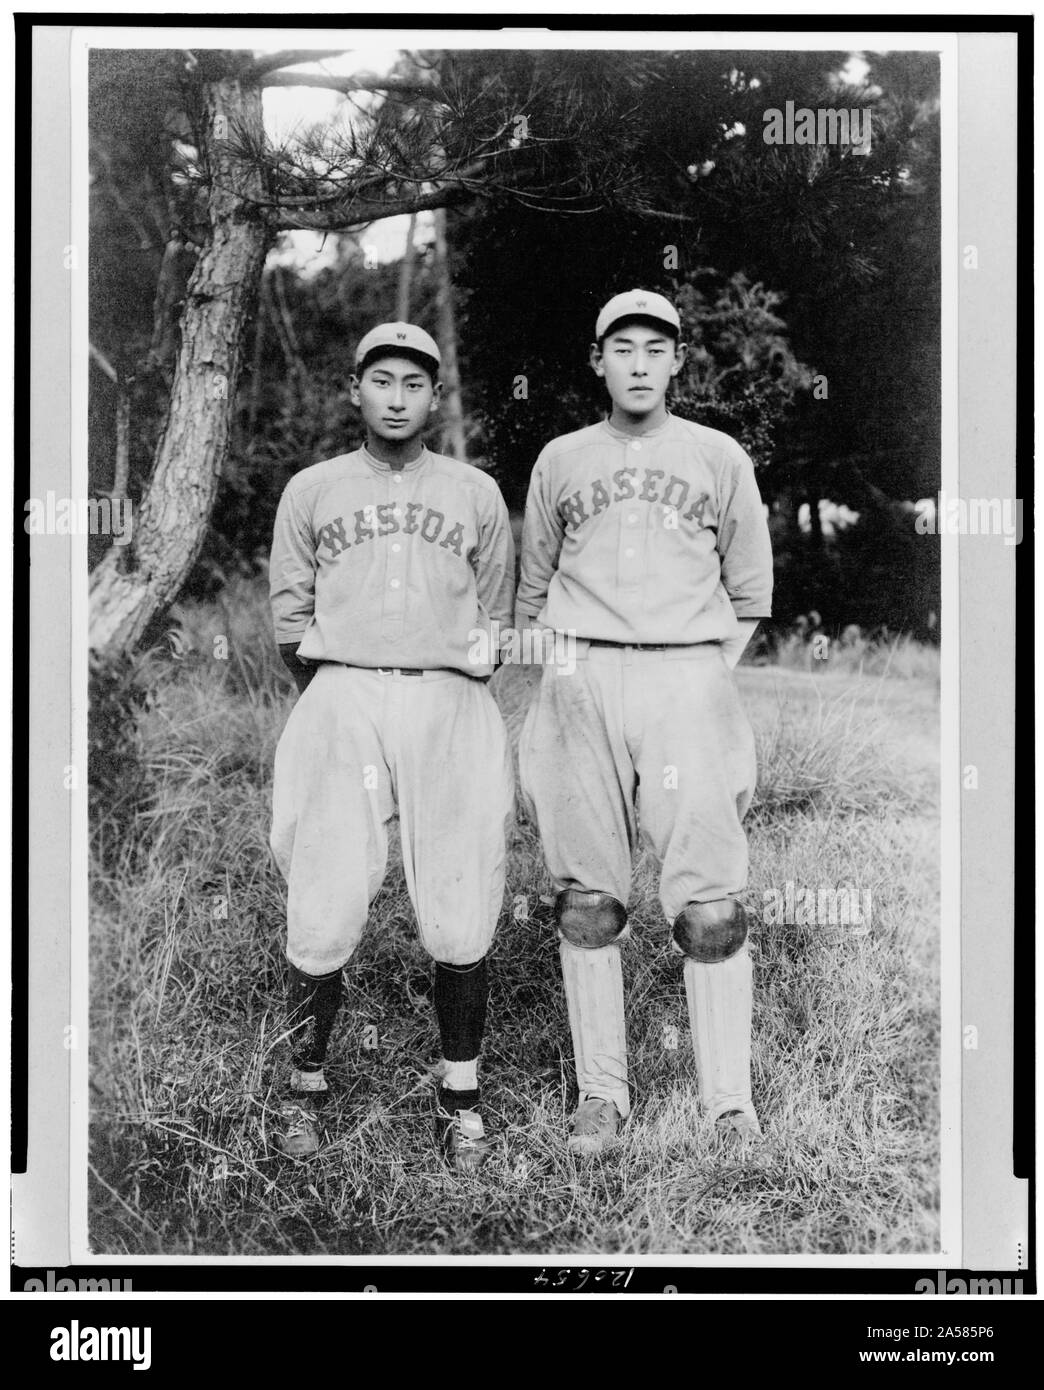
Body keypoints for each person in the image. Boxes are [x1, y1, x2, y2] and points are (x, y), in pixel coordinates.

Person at [515, 290, 773, 1154]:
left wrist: (696, 675)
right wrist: (569, 672)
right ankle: (602, 1097)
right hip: (581, 677)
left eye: (653, 349)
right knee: (587, 900)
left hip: (687, 679)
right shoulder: (560, 458)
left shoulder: (718, 455)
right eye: (619, 347)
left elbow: (748, 592)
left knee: (710, 908)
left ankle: (727, 1105)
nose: (636, 362)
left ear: (676, 361)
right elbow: (534, 583)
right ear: (598, 362)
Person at [268, 322, 515, 1171]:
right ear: (356, 390)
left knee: (459, 896)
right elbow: (288, 619)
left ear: (435, 397)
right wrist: (336, 695)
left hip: (450, 699)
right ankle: (307, 1087)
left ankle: (460, 1099)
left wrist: (448, 680)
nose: (399, 396)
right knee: (326, 893)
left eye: (416, 381)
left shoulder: (477, 492)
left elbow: (497, 616)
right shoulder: (312, 489)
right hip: (343, 692)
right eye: (383, 379)